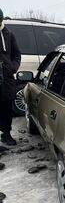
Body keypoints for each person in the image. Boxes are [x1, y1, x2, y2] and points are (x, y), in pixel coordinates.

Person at [0, 8, 21, 146]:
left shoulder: (9, 35)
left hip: (6, 79)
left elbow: (17, 55)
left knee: (7, 109)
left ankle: (6, 135)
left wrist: (12, 68)